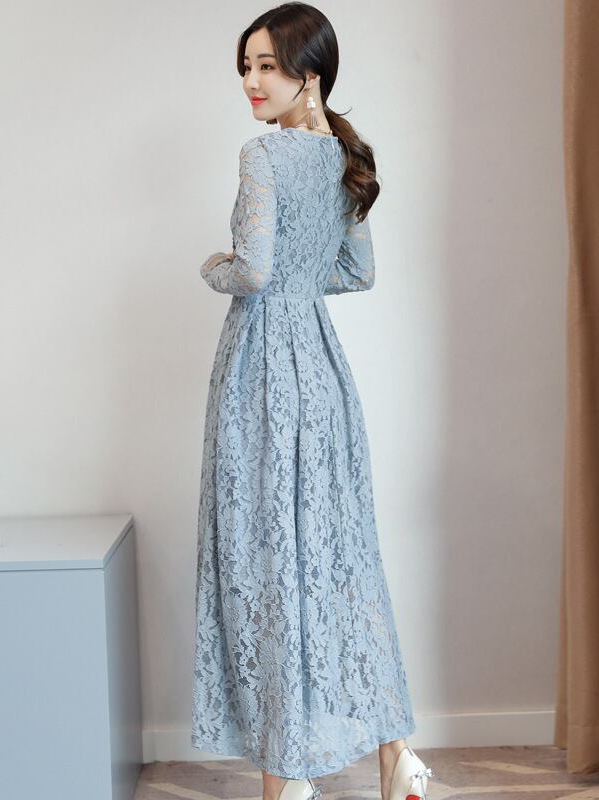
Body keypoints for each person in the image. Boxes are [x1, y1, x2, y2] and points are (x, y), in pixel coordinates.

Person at [191, 4, 434, 800]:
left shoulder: (262, 154)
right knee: (340, 561)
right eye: (246, 67)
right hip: (322, 373)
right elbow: (357, 274)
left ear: (311, 75)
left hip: (261, 368)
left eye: (267, 66)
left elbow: (253, 272)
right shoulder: (346, 157)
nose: (251, 82)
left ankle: (286, 779)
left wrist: (214, 266)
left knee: (268, 559)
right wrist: (299, 279)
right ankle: (398, 755)